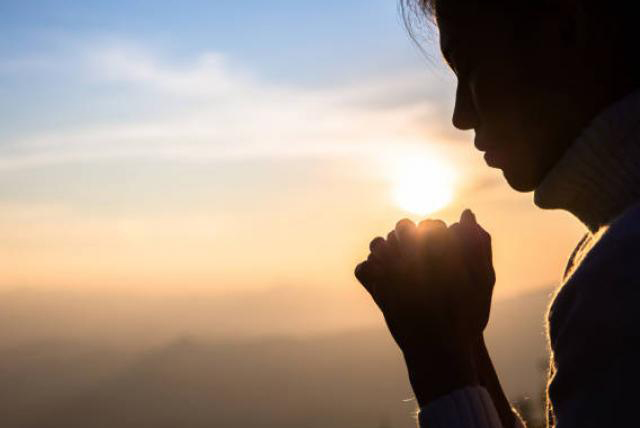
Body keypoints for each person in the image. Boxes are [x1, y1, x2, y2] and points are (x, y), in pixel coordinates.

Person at [354, 1, 640, 427]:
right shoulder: (612, 250)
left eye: (469, 66)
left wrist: (438, 367)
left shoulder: (622, 279)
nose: (460, 117)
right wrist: (461, 342)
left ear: (565, 30)